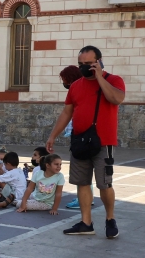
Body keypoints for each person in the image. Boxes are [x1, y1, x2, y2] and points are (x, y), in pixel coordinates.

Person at [47, 46, 123, 237]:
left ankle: (110, 219)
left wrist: (99, 77)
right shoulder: (75, 86)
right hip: (80, 141)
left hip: (103, 142)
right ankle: (86, 222)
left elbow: (116, 99)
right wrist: (53, 135)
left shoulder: (113, 80)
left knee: (104, 183)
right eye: (80, 64)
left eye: (88, 64)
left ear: (99, 61)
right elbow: (67, 112)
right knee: (81, 182)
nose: (83, 67)